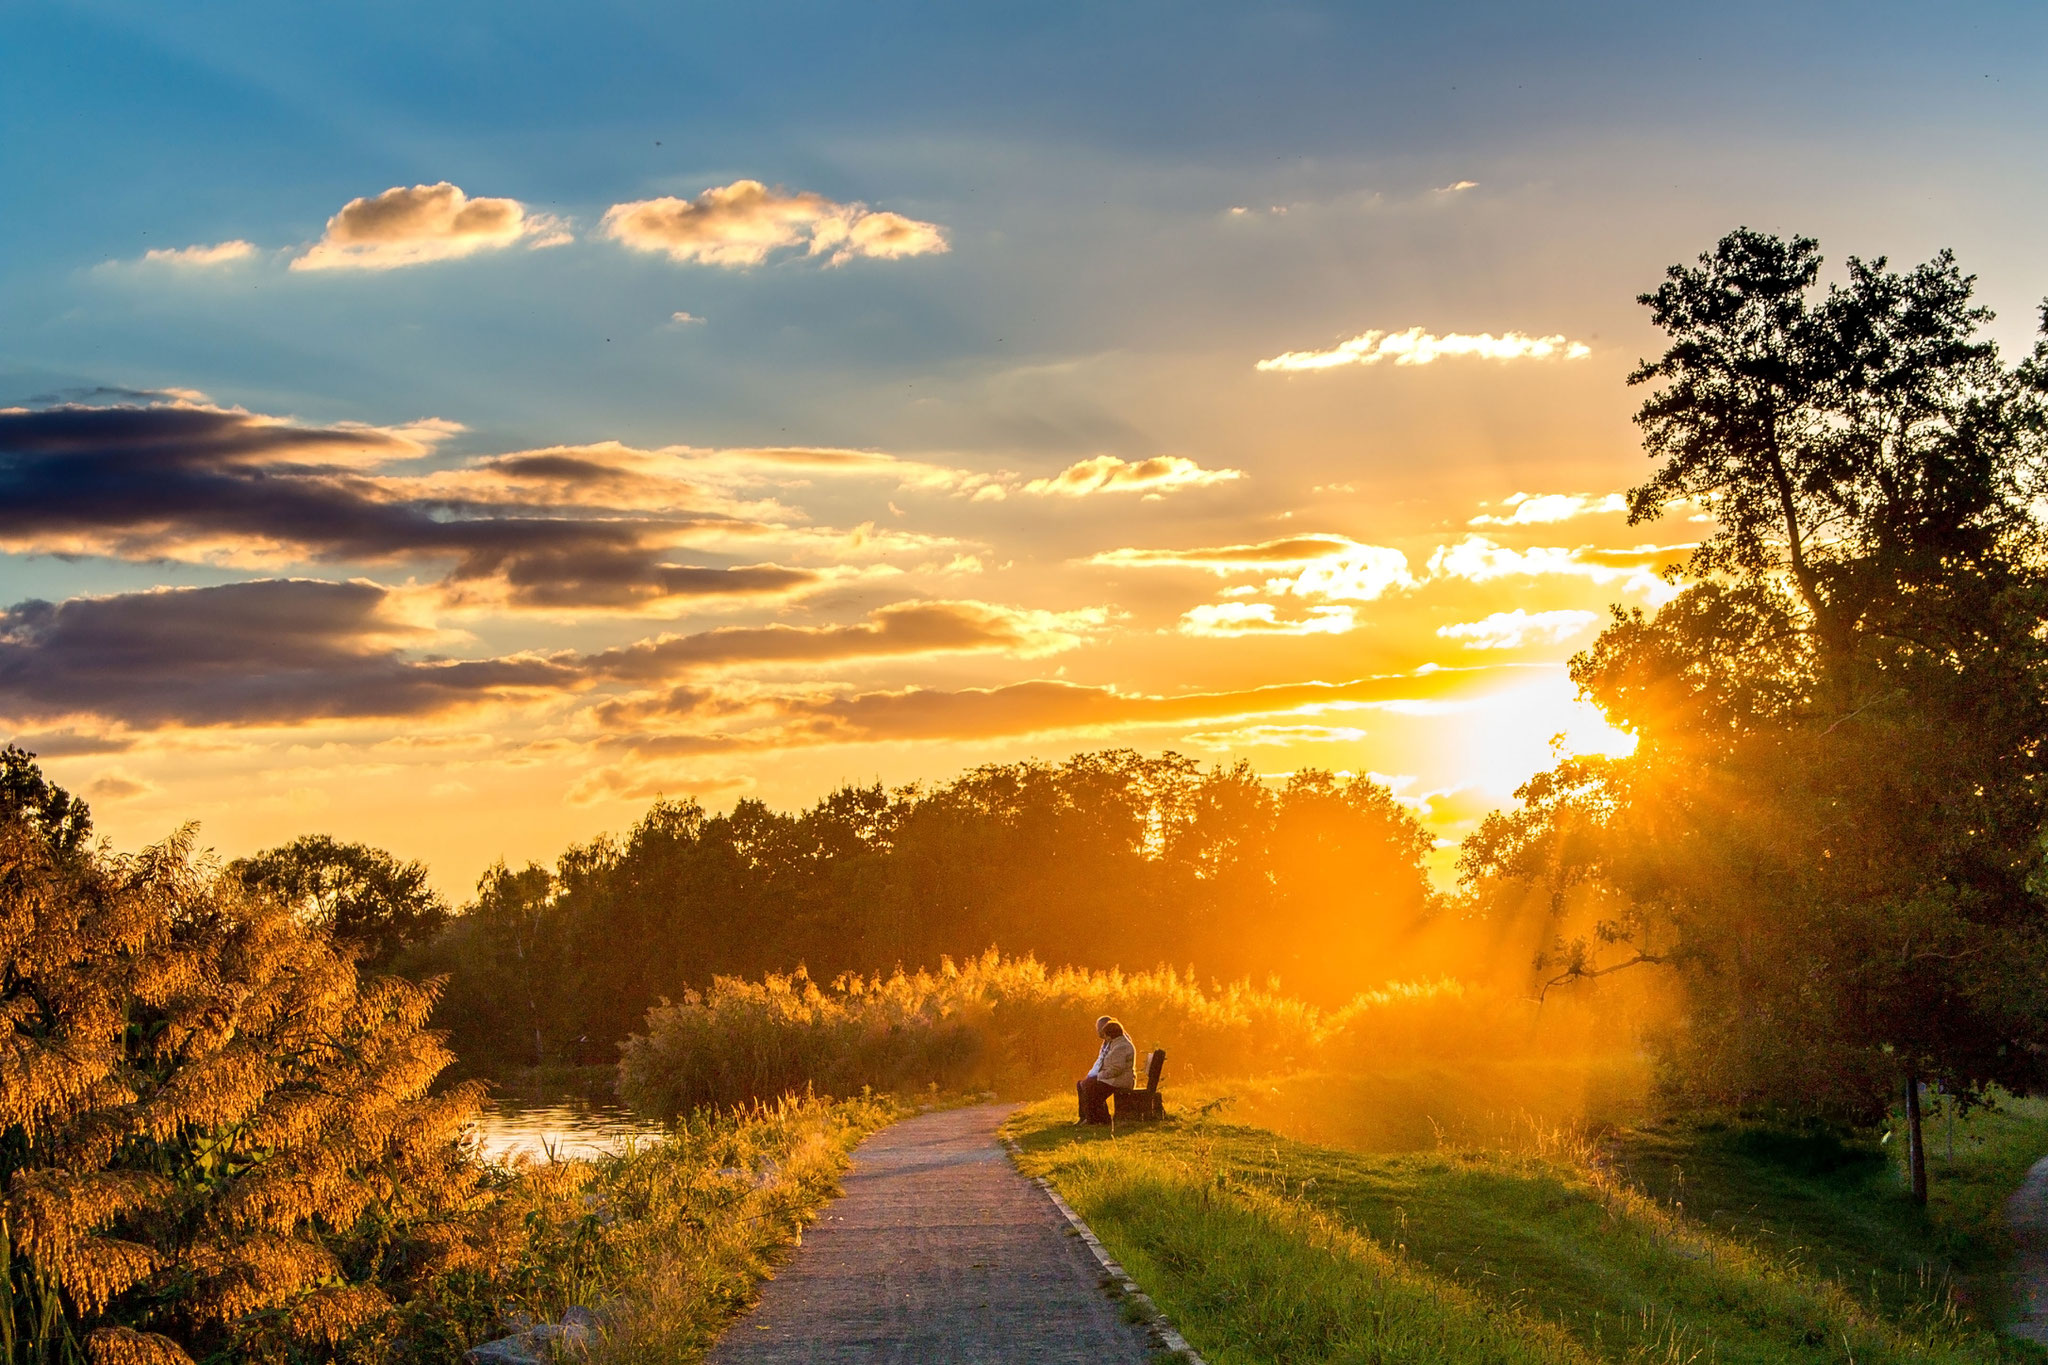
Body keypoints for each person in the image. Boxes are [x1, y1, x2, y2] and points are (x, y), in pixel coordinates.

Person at [1077, 1015, 1136, 1125]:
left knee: (1091, 1088)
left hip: (1120, 1080)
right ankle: (1091, 1118)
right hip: (1114, 1078)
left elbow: (1116, 1069)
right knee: (1085, 1085)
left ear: (1111, 1035)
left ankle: (1098, 1120)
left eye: (1106, 1036)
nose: (1105, 1039)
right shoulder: (1115, 1043)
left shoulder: (1121, 1046)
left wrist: (1099, 1076)